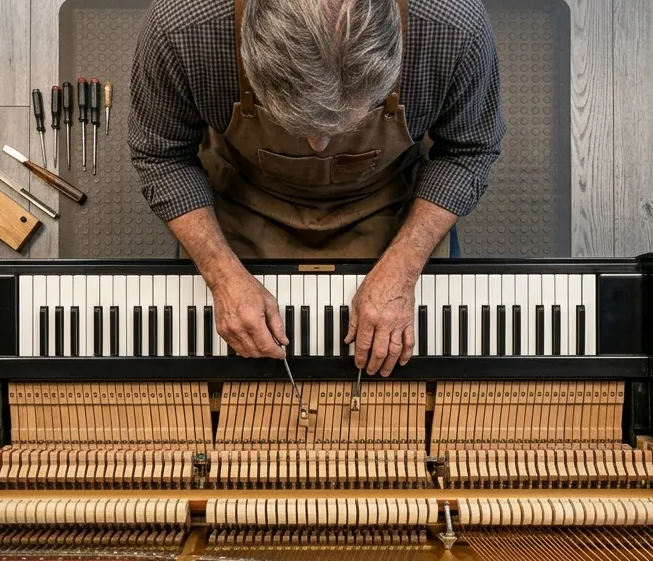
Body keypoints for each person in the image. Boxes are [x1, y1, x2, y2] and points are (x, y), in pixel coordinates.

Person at [128, 0, 503, 376]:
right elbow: (162, 154)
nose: (320, 146)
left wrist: (403, 269)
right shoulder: (183, 27)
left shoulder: (453, 26)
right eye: (296, 123)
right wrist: (221, 275)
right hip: (241, 196)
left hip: (392, 199)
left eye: (345, 123)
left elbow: (468, 150)